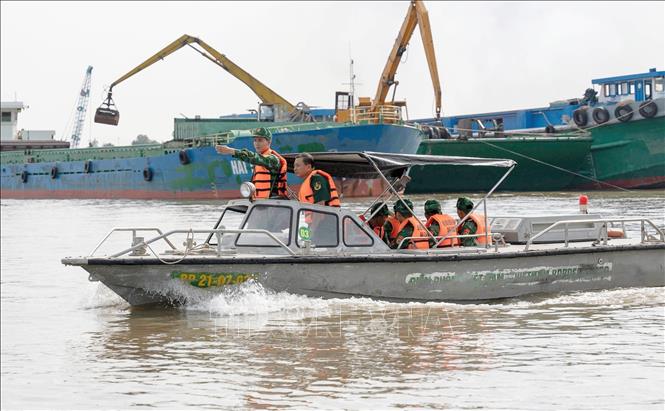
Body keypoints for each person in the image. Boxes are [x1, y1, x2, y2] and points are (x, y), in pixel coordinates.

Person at [215, 127, 287, 200]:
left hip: (273, 203)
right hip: (261, 203)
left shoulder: (272, 159)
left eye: (260, 140)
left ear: (269, 142)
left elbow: (255, 158)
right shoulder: (261, 161)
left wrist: (231, 151)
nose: (257, 143)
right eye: (255, 140)